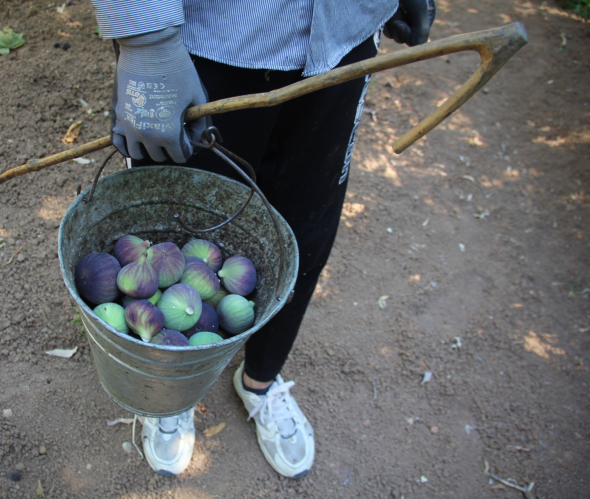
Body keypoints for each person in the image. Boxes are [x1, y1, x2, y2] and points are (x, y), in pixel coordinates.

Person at [92, 0, 435, 478]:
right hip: (208, 46)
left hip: (345, 38)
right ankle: (171, 391)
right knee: (177, 223)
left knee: (305, 226)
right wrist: (145, 38)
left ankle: (260, 381)